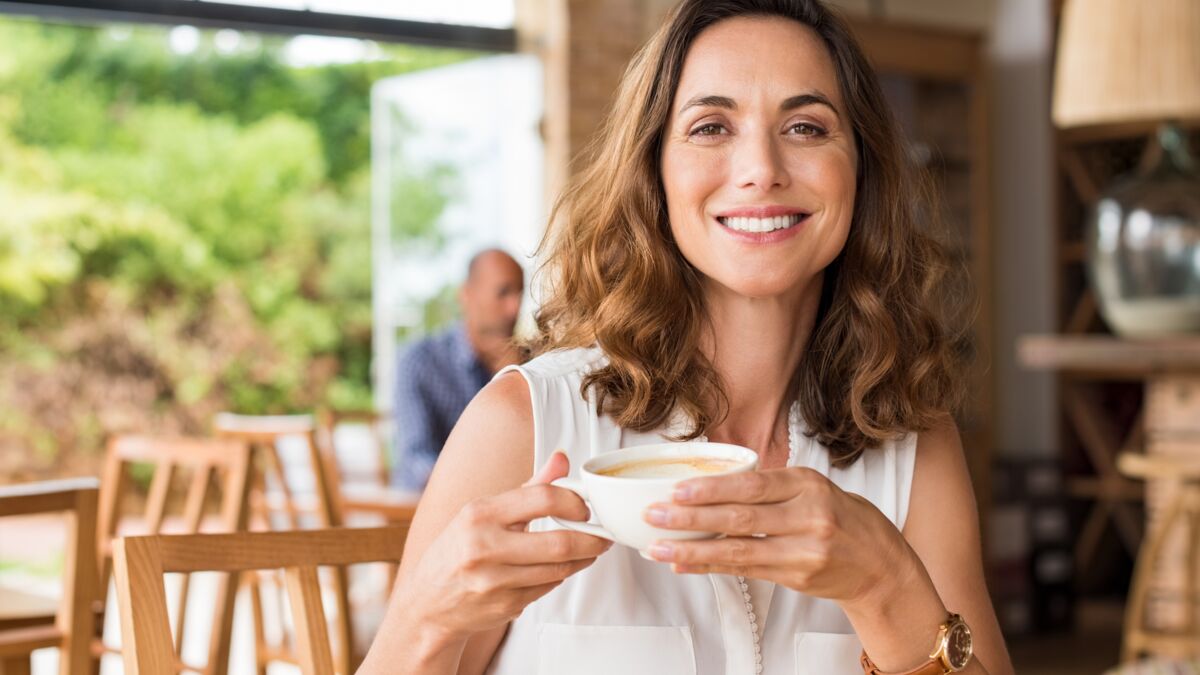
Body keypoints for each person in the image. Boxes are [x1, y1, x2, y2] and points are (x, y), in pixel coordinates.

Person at [362, 1, 1016, 673]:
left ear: (861, 169)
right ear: (655, 171)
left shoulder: (913, 444)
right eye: (710, 126)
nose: (761, 168)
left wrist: (886, 585)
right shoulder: (520, 425)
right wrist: (425, 618)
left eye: (805, 125)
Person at [391, 248, 524, 490]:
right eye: (503, 292)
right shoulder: (420, 361)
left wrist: (514, 378)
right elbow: (416, 460)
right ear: (466, 294)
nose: (514, 307)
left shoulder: (531, 365)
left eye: (519, 293)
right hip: (435, 513)